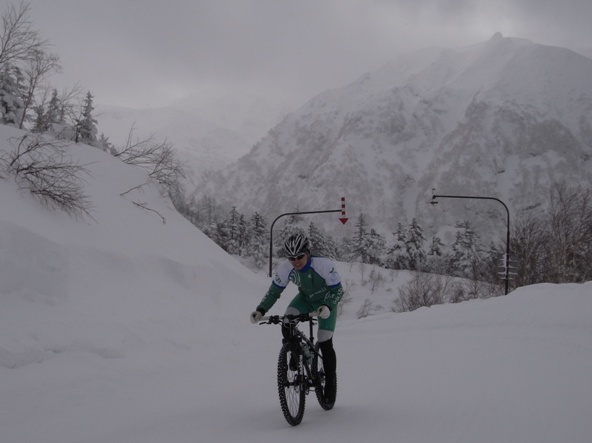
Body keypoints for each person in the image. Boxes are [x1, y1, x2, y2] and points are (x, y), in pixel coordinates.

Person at [250, 233, 344, 407]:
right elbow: (274, 292)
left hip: (326, 302)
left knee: (324, 341)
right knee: (286, 322)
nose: (296, 261)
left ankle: (330, 382)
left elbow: (338, 290)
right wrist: (260, 309)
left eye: (300, 256)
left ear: (307, 252)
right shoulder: (286, 269)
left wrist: (328, 306)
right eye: (292, 258)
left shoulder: (323, 265)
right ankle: (297, 351)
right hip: (306, 300)